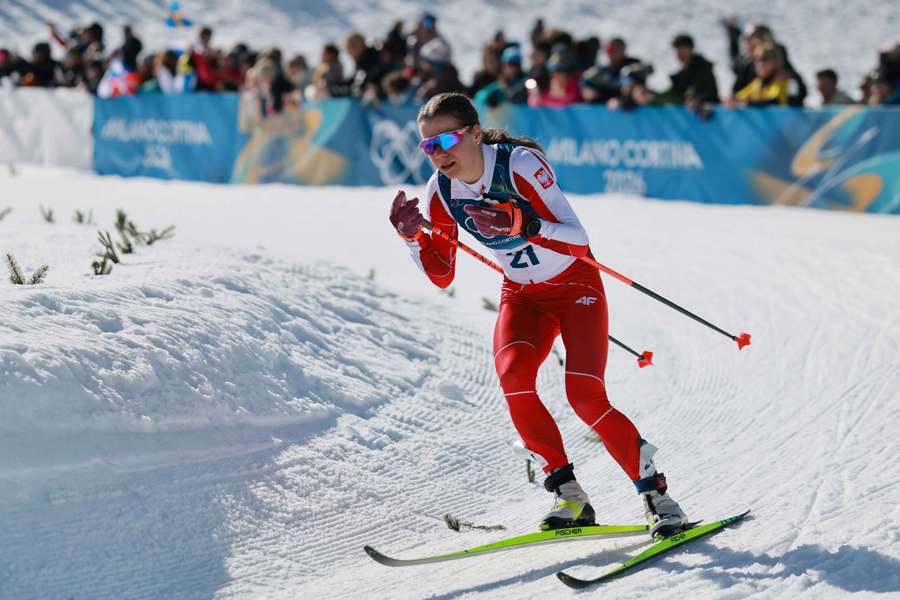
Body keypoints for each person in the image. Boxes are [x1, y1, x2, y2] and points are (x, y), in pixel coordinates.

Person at [387, 92, 689, 538]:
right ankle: (568, 494)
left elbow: (576, 237)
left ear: (474, 132)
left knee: (585, 397)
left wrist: (523, 225)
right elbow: (442, 274)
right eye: (428, 146)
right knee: (514, 380)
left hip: (574, 288)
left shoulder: (519, 165)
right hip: (522, 297)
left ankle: (657, 496)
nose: (439, 154)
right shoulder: (441, 192)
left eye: (447, 139)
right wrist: (412, 238)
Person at [657, 34, 720, 106]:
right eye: (677, 50)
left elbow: (710, 93)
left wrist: (698, 100)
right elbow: (673, 94)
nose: (679, 53)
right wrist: (652, 97)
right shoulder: (681, 75)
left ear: (690, 49)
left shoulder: (703, 68)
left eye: (682, 49)